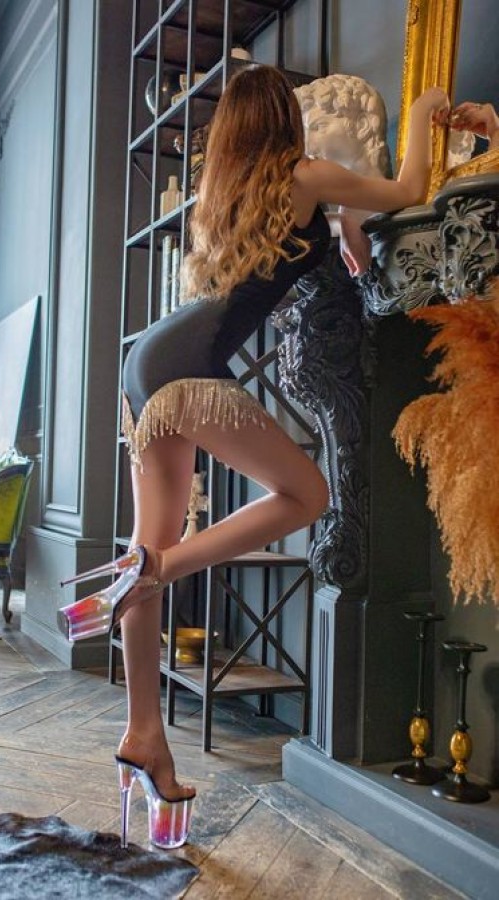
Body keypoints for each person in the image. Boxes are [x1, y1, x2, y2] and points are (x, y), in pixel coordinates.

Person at [57, 65, 449, 850]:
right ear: (283, 121)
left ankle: (143, 737)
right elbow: (409, 187)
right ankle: (152, 570)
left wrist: (346, 225)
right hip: (186, 370)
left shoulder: (232, 199)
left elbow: (329, 242)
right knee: (306, 495)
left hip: (146, 363)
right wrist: (425, 105)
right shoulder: (304, 173)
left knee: (148, 543)